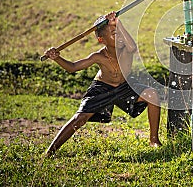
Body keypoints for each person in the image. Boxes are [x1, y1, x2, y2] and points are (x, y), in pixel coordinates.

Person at [44, 11, 162, 157]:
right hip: (102, 89)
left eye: (119, 32)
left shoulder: (126, 50)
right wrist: (57, 58)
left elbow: (133, 47)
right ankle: (50, 151)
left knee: (152, 94)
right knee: (79, 119)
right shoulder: (98, 56)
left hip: (125, 86)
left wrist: (118, 23)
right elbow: (72, 67)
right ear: (101, 40)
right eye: (113, 34)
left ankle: (154, 139)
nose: (119, 37)